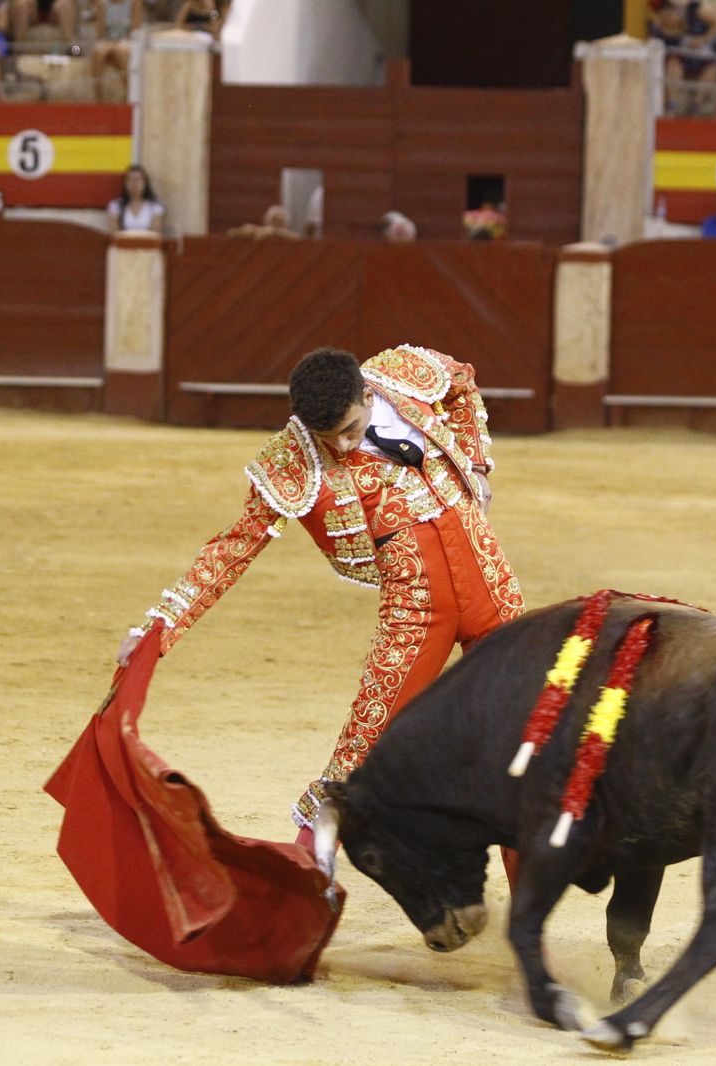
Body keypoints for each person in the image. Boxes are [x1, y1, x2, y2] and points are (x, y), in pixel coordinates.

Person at [115, 345, 523, 838]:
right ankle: (308, 871)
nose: (347, 447)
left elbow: (461, 384)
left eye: (352, 429)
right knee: (362, 747)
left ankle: (528, 902)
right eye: (331, 438)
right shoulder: (295, 457)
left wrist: (476, 464)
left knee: (522, 728)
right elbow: (233, 547)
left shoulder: (404, 376)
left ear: (367, 393)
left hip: (488, 574)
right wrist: (158, 629)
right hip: (414, 609)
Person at [90, 0, 142, 89]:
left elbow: (135, 30)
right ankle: (98, 96)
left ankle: (129, 91)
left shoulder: (134, 2)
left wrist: (120, 43)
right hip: (108, 41)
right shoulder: (102, 4)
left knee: (122, 51)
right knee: (99, 51)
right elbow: (100, 34)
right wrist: (111, 44)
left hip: (128, 40)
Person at [106, 164, 165, 233]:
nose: (134, 183)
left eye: (138, 179)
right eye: (131, 179)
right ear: (125, 183)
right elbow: (114, 234)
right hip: (123, 243)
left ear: (145, 183)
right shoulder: (116, 205)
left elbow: (155, 234)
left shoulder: (156, 206)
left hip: (147, 243)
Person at [225, 204, 300, 239]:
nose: (276, 224)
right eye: (274, 221)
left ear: (286, 225)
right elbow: (230, 234)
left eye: (280, 222)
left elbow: (297, 238)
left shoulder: (291, 237)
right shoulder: (257, 233)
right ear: (266, 221)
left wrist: (275, 232)